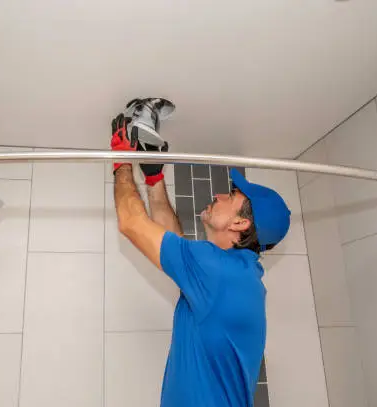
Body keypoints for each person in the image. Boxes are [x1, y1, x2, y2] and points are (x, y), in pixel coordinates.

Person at [110, 113, 291, 407]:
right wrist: (154, 178)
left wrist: (120, 162)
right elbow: (173, 244)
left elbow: (131, 222)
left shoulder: (218, 273)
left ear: (240, 224)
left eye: (231, 195)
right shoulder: (232, 274)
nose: (219, 195)